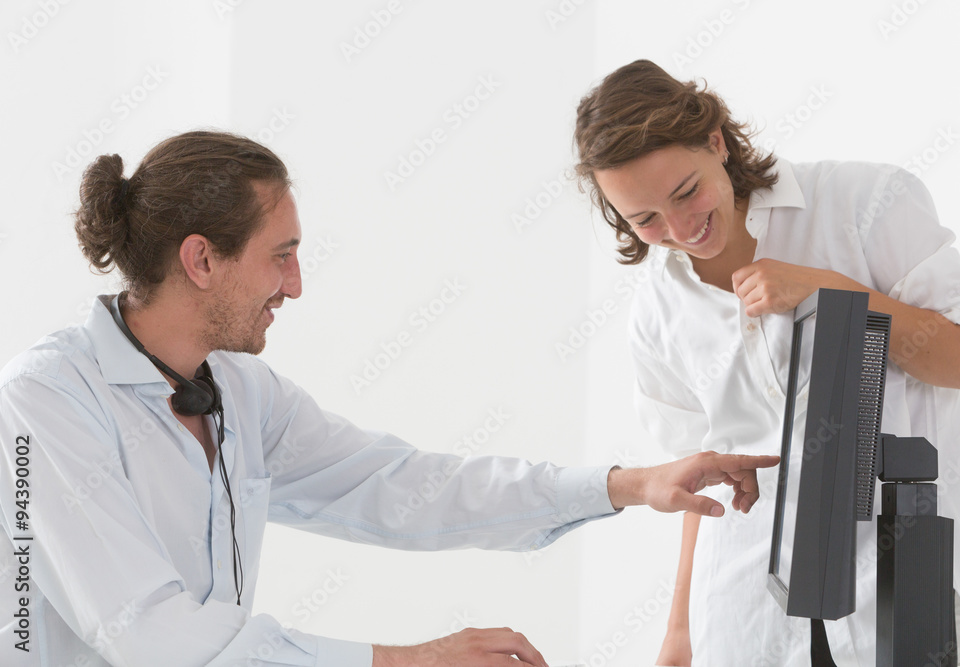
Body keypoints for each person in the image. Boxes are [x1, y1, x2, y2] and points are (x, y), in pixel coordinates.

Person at [0, 130, 780, 667]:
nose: (296, 286)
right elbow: (155, 639)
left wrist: (628, 485)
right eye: (282, 256)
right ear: (201, 258)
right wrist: (406, 659)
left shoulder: (240, 390)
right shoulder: (45, 404)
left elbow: (408, 487)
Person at [573, 60, 960, 666]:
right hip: (745, 614)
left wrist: (830, 292)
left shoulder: (864, 205)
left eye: (686, 192)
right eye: (645, 220)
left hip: (901, 586)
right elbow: (701, 475)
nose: (679, 227)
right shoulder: (659, 307)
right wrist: (679, 632)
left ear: (715, 141)